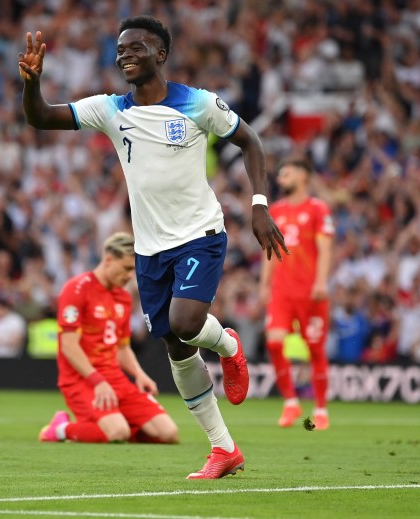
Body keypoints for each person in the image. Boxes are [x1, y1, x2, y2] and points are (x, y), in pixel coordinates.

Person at [18, 16, 287, 479]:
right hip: (149, 250)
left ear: (160, 55)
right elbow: (41, 116)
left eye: (136, 47)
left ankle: (226, 344)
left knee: (186, 324)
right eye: (120, 49)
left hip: (200, 234)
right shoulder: (110, 109)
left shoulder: (197, 103)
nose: (125, 54)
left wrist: (259, 203)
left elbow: (250, 140)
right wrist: (32, 82)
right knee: (177, 350)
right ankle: (224, 450)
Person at [39, 233, 179, 445]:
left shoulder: (123, 297)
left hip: (115, 378)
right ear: (108, 260)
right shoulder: (76, 289)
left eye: (134, 269)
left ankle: (110, 424)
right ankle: (59, 429)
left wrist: (139, 374)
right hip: (82, 379)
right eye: (126, 268)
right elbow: (68, 345)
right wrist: (97, 382)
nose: (130, 275)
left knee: (167, 434)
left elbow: (122, 348)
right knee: (117, 433)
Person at [258, 159, 334, 429]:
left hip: (310, 291)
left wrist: (322, 281)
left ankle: (321, 409)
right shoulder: (275, 211)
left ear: (303, 175)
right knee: (275, 343)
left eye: (286, 172)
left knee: (314, 348)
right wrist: (264, 284)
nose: (281, 178)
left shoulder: (317, 209)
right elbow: (269, 251)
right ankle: (291, 403)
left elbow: (325, 249)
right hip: (282, 291)